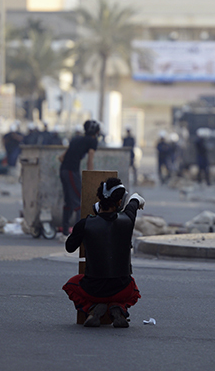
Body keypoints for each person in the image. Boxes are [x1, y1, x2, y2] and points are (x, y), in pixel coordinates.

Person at [62, 178, 145, 328]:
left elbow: (69, 247)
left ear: (100, 199)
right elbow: (134, 201)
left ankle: (92, 308)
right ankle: (118, 308)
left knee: (70, 285)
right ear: (120, 202)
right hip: (122, 288)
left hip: (93, 289)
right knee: (134, 289)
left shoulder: (85, 224)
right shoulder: (128, 219)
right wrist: (134, 199)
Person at [59, 120, 100, 236]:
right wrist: (90, 177)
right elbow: (90, 160)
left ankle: (66, 231)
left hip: (63, 170)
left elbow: (61, 158)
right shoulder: (92, 141)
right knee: (79, 202)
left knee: (68, 201)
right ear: (97, 131)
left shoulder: (76, 139)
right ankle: (79, 233)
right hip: (71, 171)